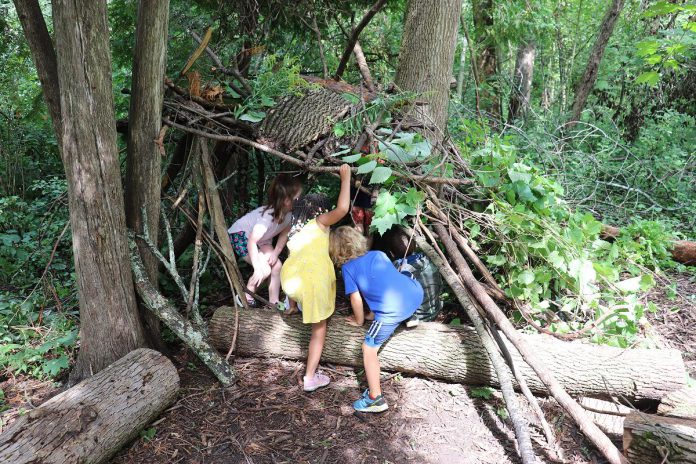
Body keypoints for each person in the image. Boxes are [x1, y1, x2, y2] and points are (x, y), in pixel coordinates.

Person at [329, 226, 423, 412]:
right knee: (403, 273)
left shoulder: (348, 268)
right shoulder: (377, 254)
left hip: (392, 311)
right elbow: (383, 282)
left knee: (368, 348)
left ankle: (375, 398)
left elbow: (356, 298)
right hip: (414, 295)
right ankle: (410, 316)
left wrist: (359, 321)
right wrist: (371, 314)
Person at [280, 165, 352, 392]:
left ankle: (293, 307)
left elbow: (295, 265)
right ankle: (310, 377)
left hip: (291, 283)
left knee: (301, 275)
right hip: (312, 284)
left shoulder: (296, 231)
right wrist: (345, 179)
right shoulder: (320, 222)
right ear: (320, 212)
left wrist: (292, 303)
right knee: (319, 331)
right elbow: (342, 209)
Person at [227, 173, 302, 307]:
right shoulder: (267, 216)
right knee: (264, 270)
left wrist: (275, 253)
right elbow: (251, 241)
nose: (300, 200)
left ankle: (273, 301)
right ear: (286, 201)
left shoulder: (289, 215)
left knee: (277, 265)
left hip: (263, 240)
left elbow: (284, 234)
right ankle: (245, 295)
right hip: (241, 235)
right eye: (297, 198)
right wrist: (257, 266)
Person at [372, 225, 444, 327]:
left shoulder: (397, 269)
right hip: (434, 311)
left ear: (391, 253)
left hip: (418, 319)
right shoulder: (428, 260)